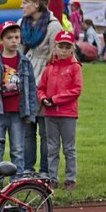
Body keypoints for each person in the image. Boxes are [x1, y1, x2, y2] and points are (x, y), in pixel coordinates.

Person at [0, 21, 37, 178]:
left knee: (17, 149)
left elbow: (32, 90)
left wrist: (30, 114)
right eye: (9, 38)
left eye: (17, 37)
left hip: (18, 113)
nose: (14, 41)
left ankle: (16, 182)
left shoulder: (25, 62)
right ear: (1, 40)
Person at [19, 0, 63, 177]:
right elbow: (19, 50)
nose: (21, 5)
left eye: (25, 2)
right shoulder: (22, 23)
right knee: (28, 129)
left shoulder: (53, 26)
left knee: (45, 131)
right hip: (26, 76)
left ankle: (45, 170)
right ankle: (28, 168)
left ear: (36, 4)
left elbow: (57, 55)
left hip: (46, 78)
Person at [37, 30, 82, 190]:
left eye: (67, 47)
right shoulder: (49, 68)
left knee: (69, 148)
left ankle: (70, 179)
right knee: (52, 147)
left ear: (72, 49)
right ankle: (52, 178)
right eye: (61, 47)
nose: (63, 50)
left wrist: (54, 99)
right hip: (50, 114)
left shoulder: (75, 68)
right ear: (54, 48)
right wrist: (43, 98)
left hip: (68, 114)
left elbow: (76, 90)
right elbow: (41, 88)